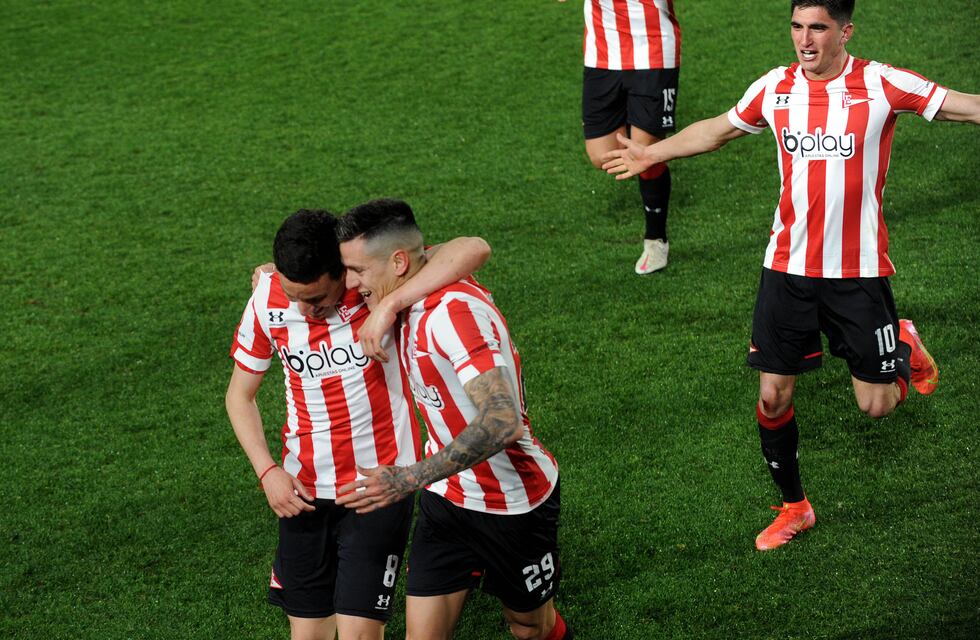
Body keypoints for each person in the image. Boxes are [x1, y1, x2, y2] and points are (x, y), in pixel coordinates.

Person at [602, 0, 979, 550]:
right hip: (785, 269)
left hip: (856, 272)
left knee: (876, 406)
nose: (805, 40)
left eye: (818, 28)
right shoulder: (775, 87)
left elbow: (964, 107)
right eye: (798, 27)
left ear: (844, 32)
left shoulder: (881, 83)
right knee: (773, 397)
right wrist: (651, 153)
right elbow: (717, 130)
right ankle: (795, 507)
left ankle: (901, 341)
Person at [225, 208, 490, 640]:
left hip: (377, 484)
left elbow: (473, 248)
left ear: (343, 271)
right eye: (294, 296)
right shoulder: (269, 297)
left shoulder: (375, 286)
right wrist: (267, 471)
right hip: (303, 489)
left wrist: (390, 306)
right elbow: (240, 396)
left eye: (315, 298)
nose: (304, 310)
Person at [333, 199, 572, 640]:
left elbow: (503, 421)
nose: (349, 284)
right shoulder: (400, 290)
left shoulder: (453, 315)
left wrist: (407, 479)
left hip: (511, 502)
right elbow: (464, 248)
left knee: (529, 629)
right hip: (447, 496)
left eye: (357, 271)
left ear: (399, 262)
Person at [565, 0, 682, 274]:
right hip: (602, 53)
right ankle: (637, 119)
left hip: (653, 49)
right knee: (602, 157)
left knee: (644, 155)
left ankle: (656, 239)